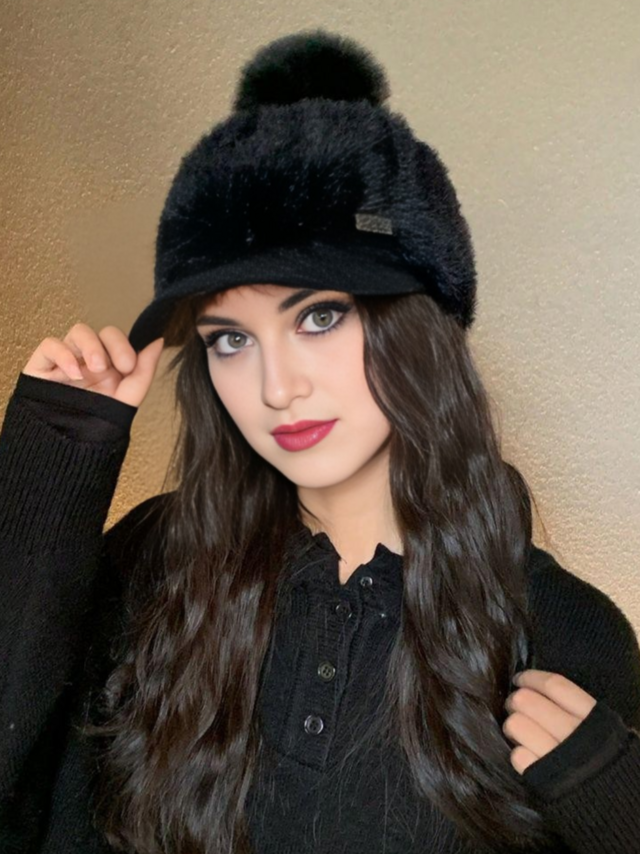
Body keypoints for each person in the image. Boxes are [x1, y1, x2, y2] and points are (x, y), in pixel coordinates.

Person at [1, 28, 639, 854]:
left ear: (420, 328)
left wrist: (619, 805)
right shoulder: (156, 566)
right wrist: (54, 462)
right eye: (231, 339)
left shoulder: (561, 630)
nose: (277, 387)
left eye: (320, 317)